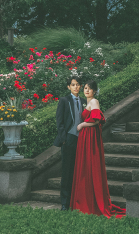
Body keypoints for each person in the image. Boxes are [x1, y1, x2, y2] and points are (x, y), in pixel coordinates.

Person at [70, 79, 125, 218]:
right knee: (85, 167)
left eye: (89, 89)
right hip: (86, 137)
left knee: (89, 166)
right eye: (85, 88)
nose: (86, 91)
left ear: (94, 91)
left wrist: (82, 125)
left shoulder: (94, 101)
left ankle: (91, 203)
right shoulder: (88, 102)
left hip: (90, 137)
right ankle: (85, 201)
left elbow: (96, 120)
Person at [53, 76, 85, 210]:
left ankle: (77, 201)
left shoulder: (84, 101)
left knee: (80, 171)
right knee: (67, 172)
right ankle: (65, 203)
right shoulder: (64, 101)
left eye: (78, 84)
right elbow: (59, 121)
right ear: (69, 87)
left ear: (81, 86)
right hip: (69, 139)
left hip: (82, 140)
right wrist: (64, 138)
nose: (76, 87)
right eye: (73, 85)